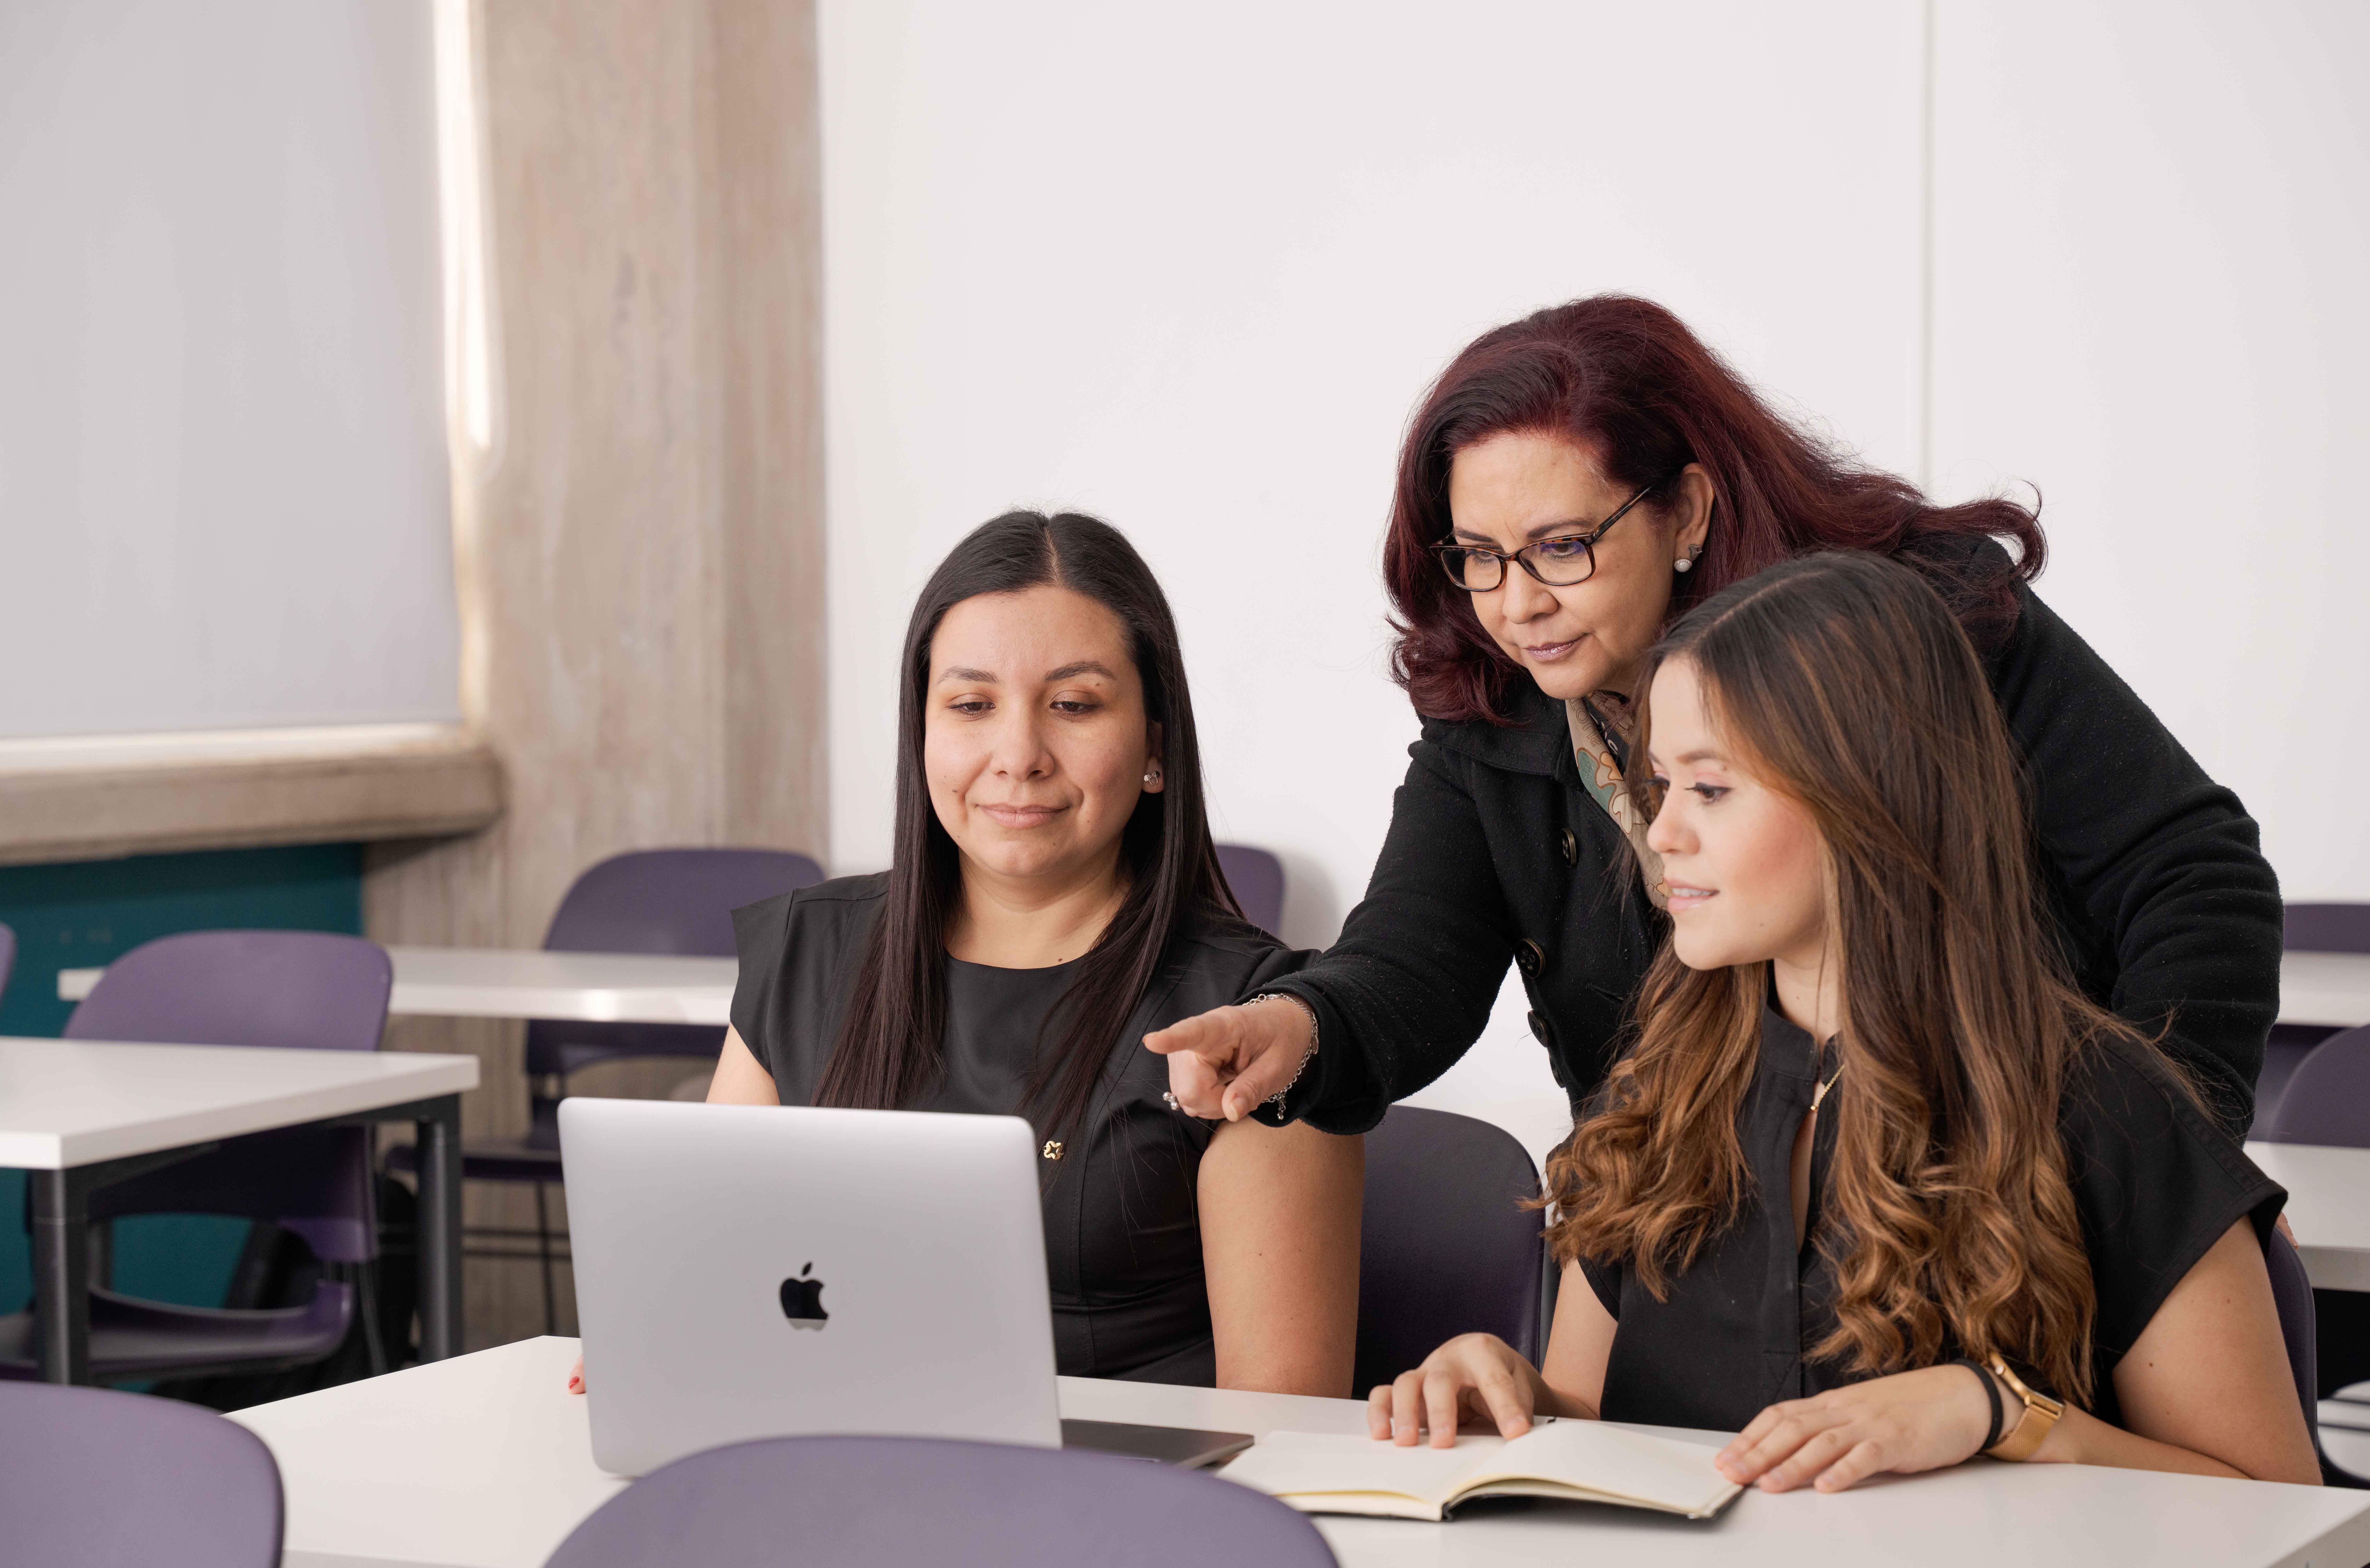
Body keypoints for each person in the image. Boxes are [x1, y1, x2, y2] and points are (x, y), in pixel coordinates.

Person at [1148, 295, 2281, 1142]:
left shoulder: (1919, 626)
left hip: (1981, 1211)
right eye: (1480, 558)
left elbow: (2192, 877)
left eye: (1560, 547)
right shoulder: (1497, 707)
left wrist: (2157, 1176)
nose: (1517, 605)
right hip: (1698, 1243)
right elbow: (1408, 965)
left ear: (1686, 509)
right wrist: (1297, 1028)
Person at [1369, 552, 2318, 1491]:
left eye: (1711, 789)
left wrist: (1995, 1414)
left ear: (1869, 800)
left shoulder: (2106, 1108)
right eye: (1662, 786)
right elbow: (1587, 1420)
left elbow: (2277, 1512)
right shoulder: (1653, 1094)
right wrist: (1504, 1394)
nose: (1661, 835)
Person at [568, 511, 1362, 1398]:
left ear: (1156, 749)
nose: (1017, 755)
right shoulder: (806, 952)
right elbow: (708, 1276)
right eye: (971, 705)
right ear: (921, 735)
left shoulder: (1258, 1018)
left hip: (1121, 1512)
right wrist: (661, 1335)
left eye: (1074, 704)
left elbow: (1285, 1427)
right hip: (827, 1480)